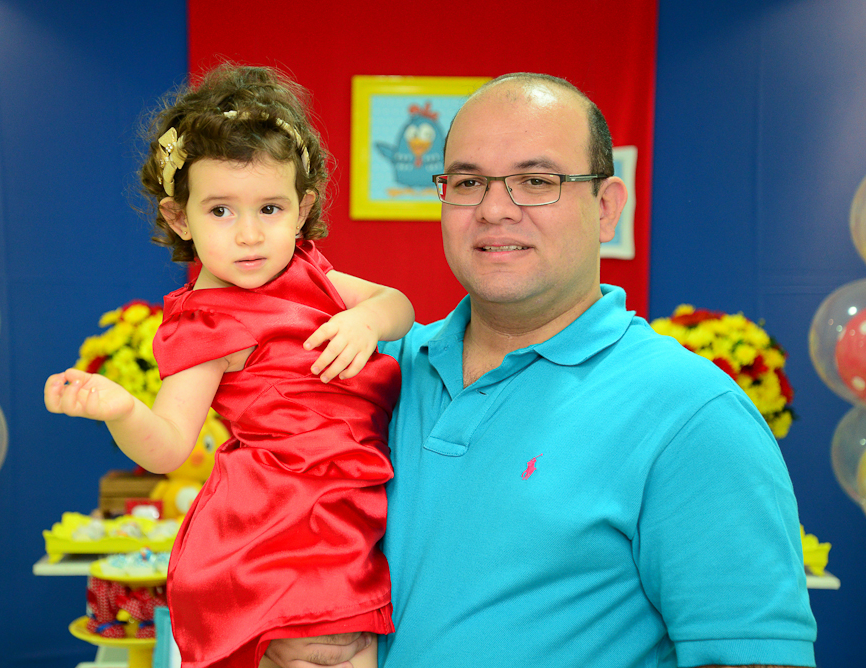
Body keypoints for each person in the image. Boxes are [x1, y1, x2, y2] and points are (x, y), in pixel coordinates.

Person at [266, 73, 817, 668]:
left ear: (606, 208)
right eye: (468, 182)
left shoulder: (691, 413)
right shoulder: (371, 371)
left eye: (537, 181)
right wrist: (273, 635)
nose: (494, 209)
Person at [44, 64, 414, 668]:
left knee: (347, 648)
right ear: (179, 217)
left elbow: (397, 303)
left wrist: (368, 320)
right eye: (220, 211)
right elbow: (168, 447)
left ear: (302, 209)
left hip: (348, 511)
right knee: (324, 650)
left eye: (269, 208)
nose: (249, 235)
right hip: (277, 532)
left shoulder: (312, 273)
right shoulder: (208, 323)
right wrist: (122, 409)